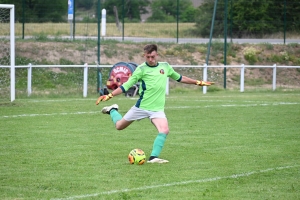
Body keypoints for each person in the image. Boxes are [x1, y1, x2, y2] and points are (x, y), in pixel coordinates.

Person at [96, 44, 214, 164]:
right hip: (141, 107)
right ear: (144, 56)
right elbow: (126, 85)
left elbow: (180, 78)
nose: (151, 60)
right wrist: (110, 95)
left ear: (157, 54)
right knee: (119, 126)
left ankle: (153, 158)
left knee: (164, 130)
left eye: (153, 57)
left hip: (157, 109)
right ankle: (112, 110)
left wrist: (198, 82)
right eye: (148, 57)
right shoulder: (141, 69)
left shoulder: (165, 67)